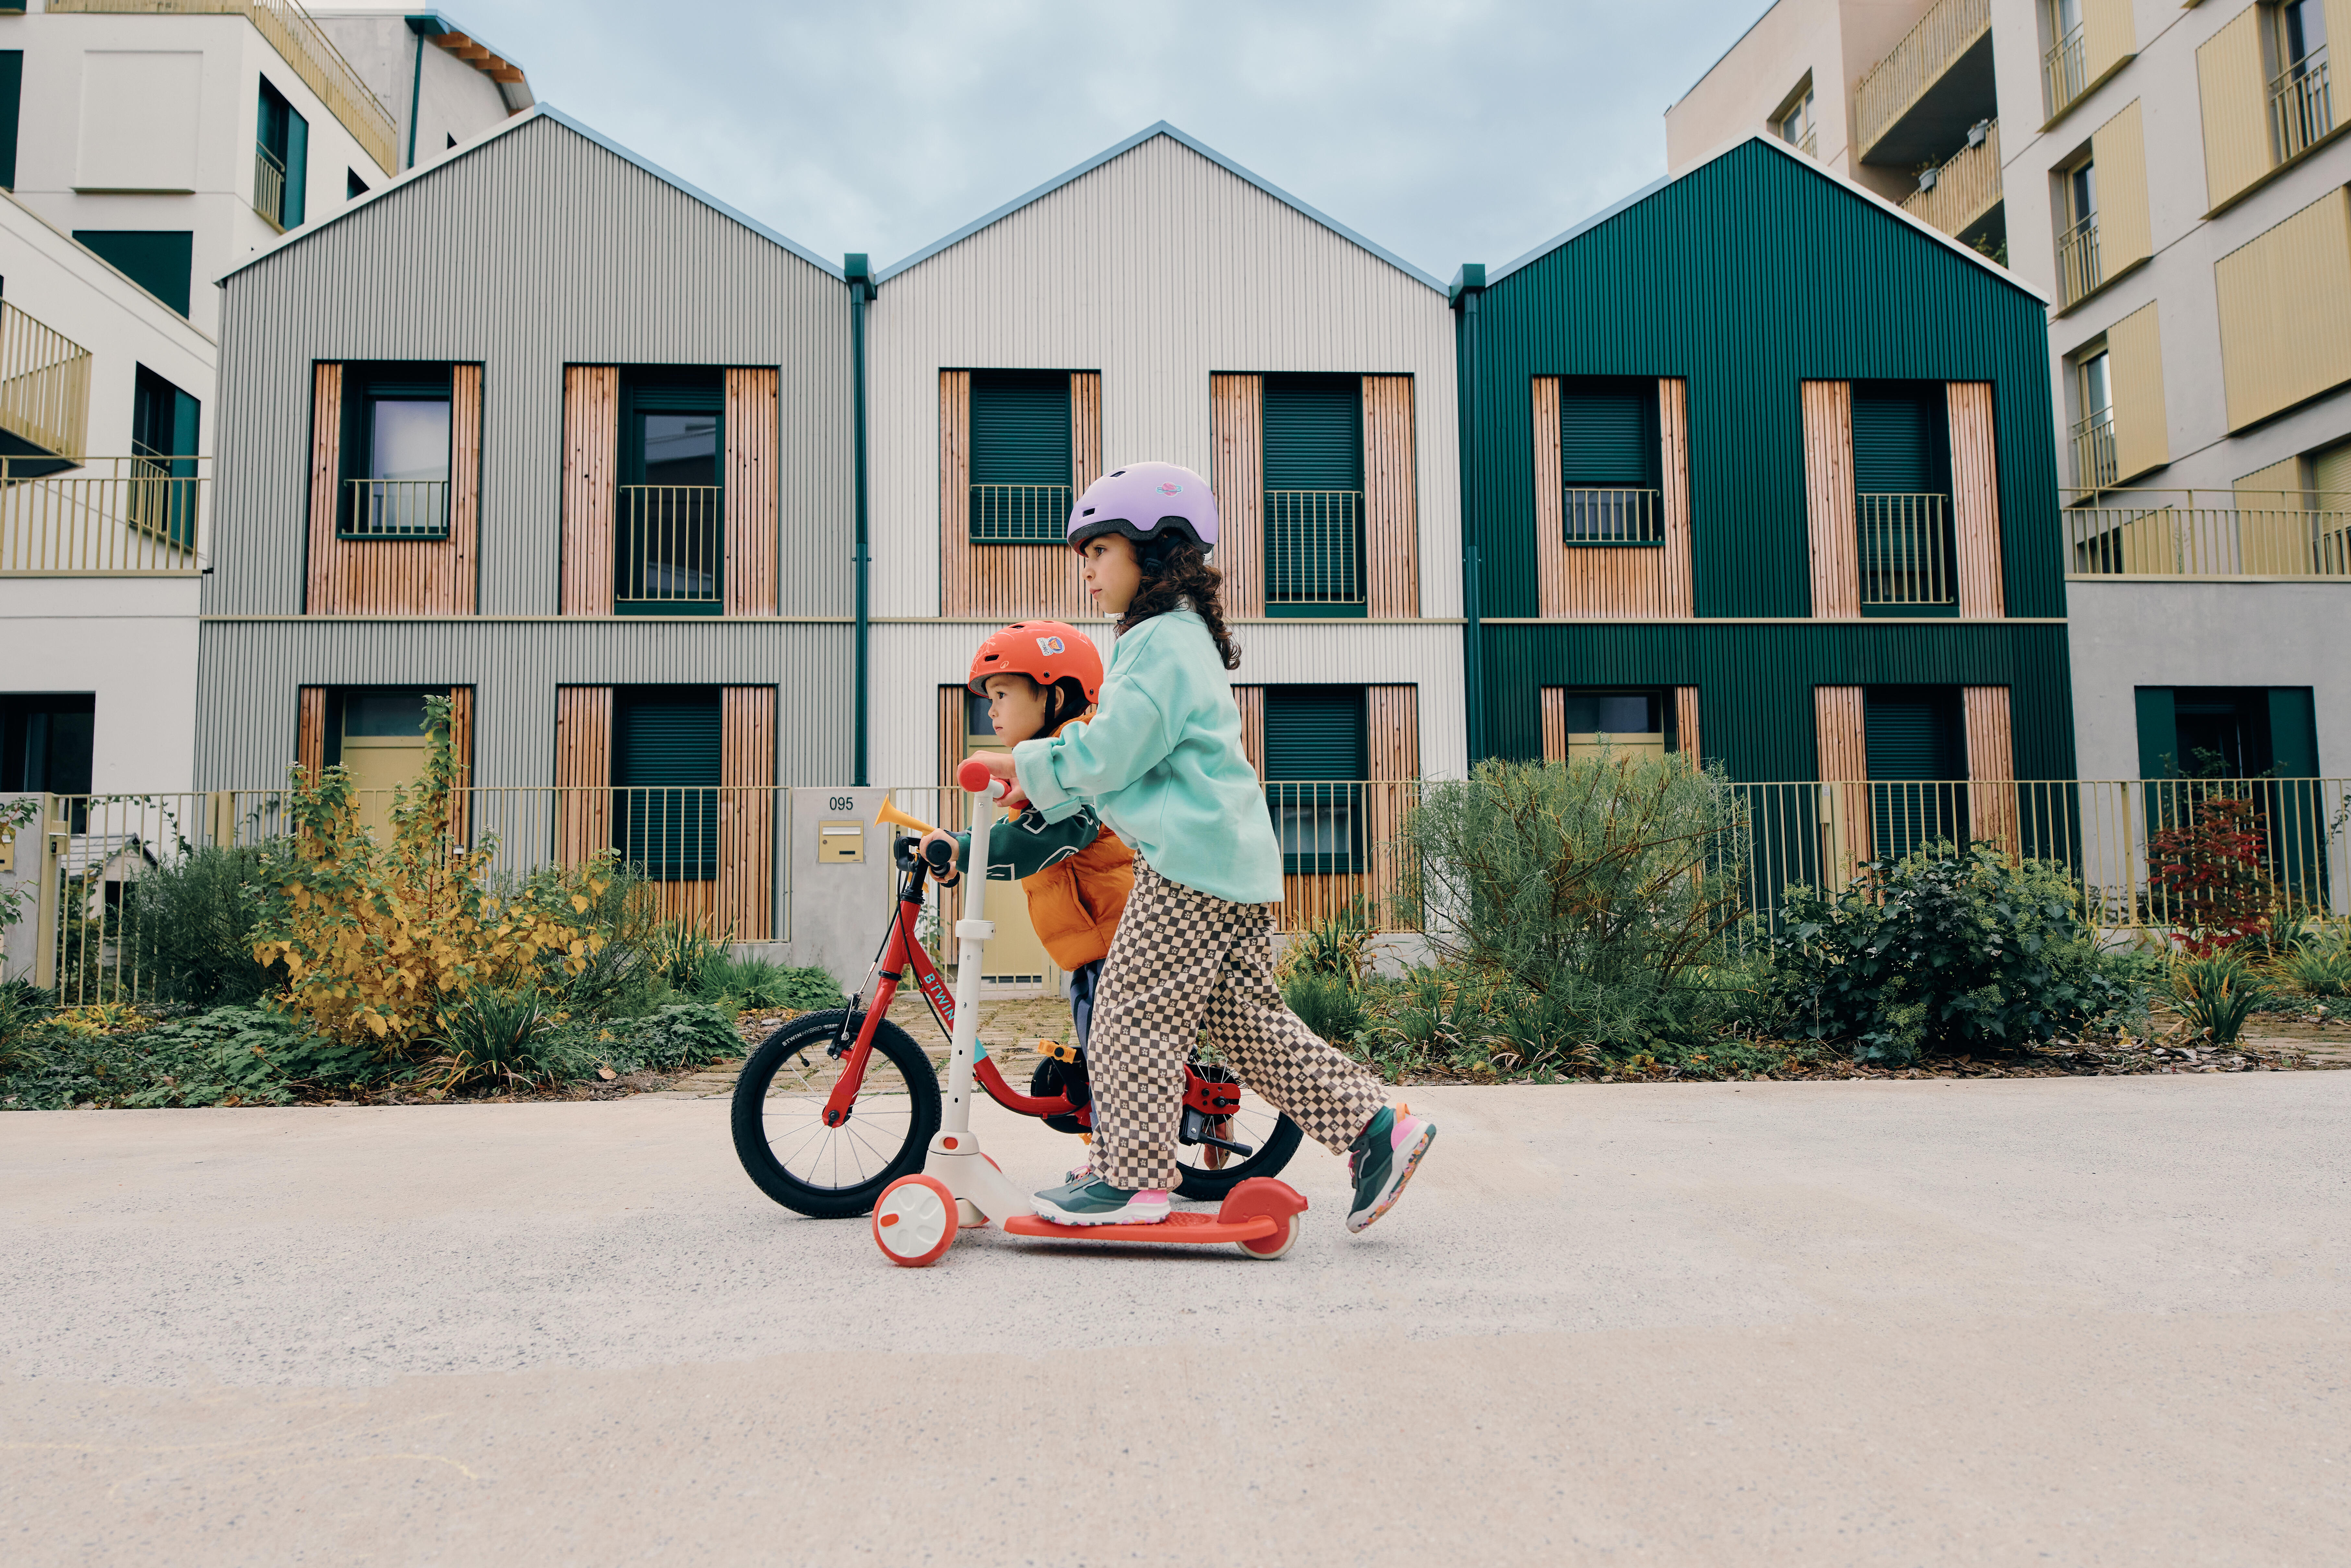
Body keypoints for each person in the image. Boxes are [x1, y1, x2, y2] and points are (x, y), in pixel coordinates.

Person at [966, 461, 1436, 1234]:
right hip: (1231, 860)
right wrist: (1046, 783)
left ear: (1154, 554)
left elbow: (1113, 750)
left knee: (1128, 1016)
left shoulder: (1154, 644)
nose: (1086, 571)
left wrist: (1018, 762)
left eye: (1098, 552)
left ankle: (1132, 1181)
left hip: (1191, 866)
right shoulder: (1176, 640)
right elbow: (1142, 757)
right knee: (1244, 1021)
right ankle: (1375, 1131)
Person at [919, 622, 1134, 1065]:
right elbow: (1014, 834)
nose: (992, 712)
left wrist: (962, 848)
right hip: (1092, 947)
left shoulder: (1079, 766)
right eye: (990, 699)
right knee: (1099, 1061)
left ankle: (1126, 1132)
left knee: (1115, 1069)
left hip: (1118, 947)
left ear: (1053, 697)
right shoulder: (1041, 771)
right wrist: (961, 857)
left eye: (1002, 695)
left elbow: (1036, 839)